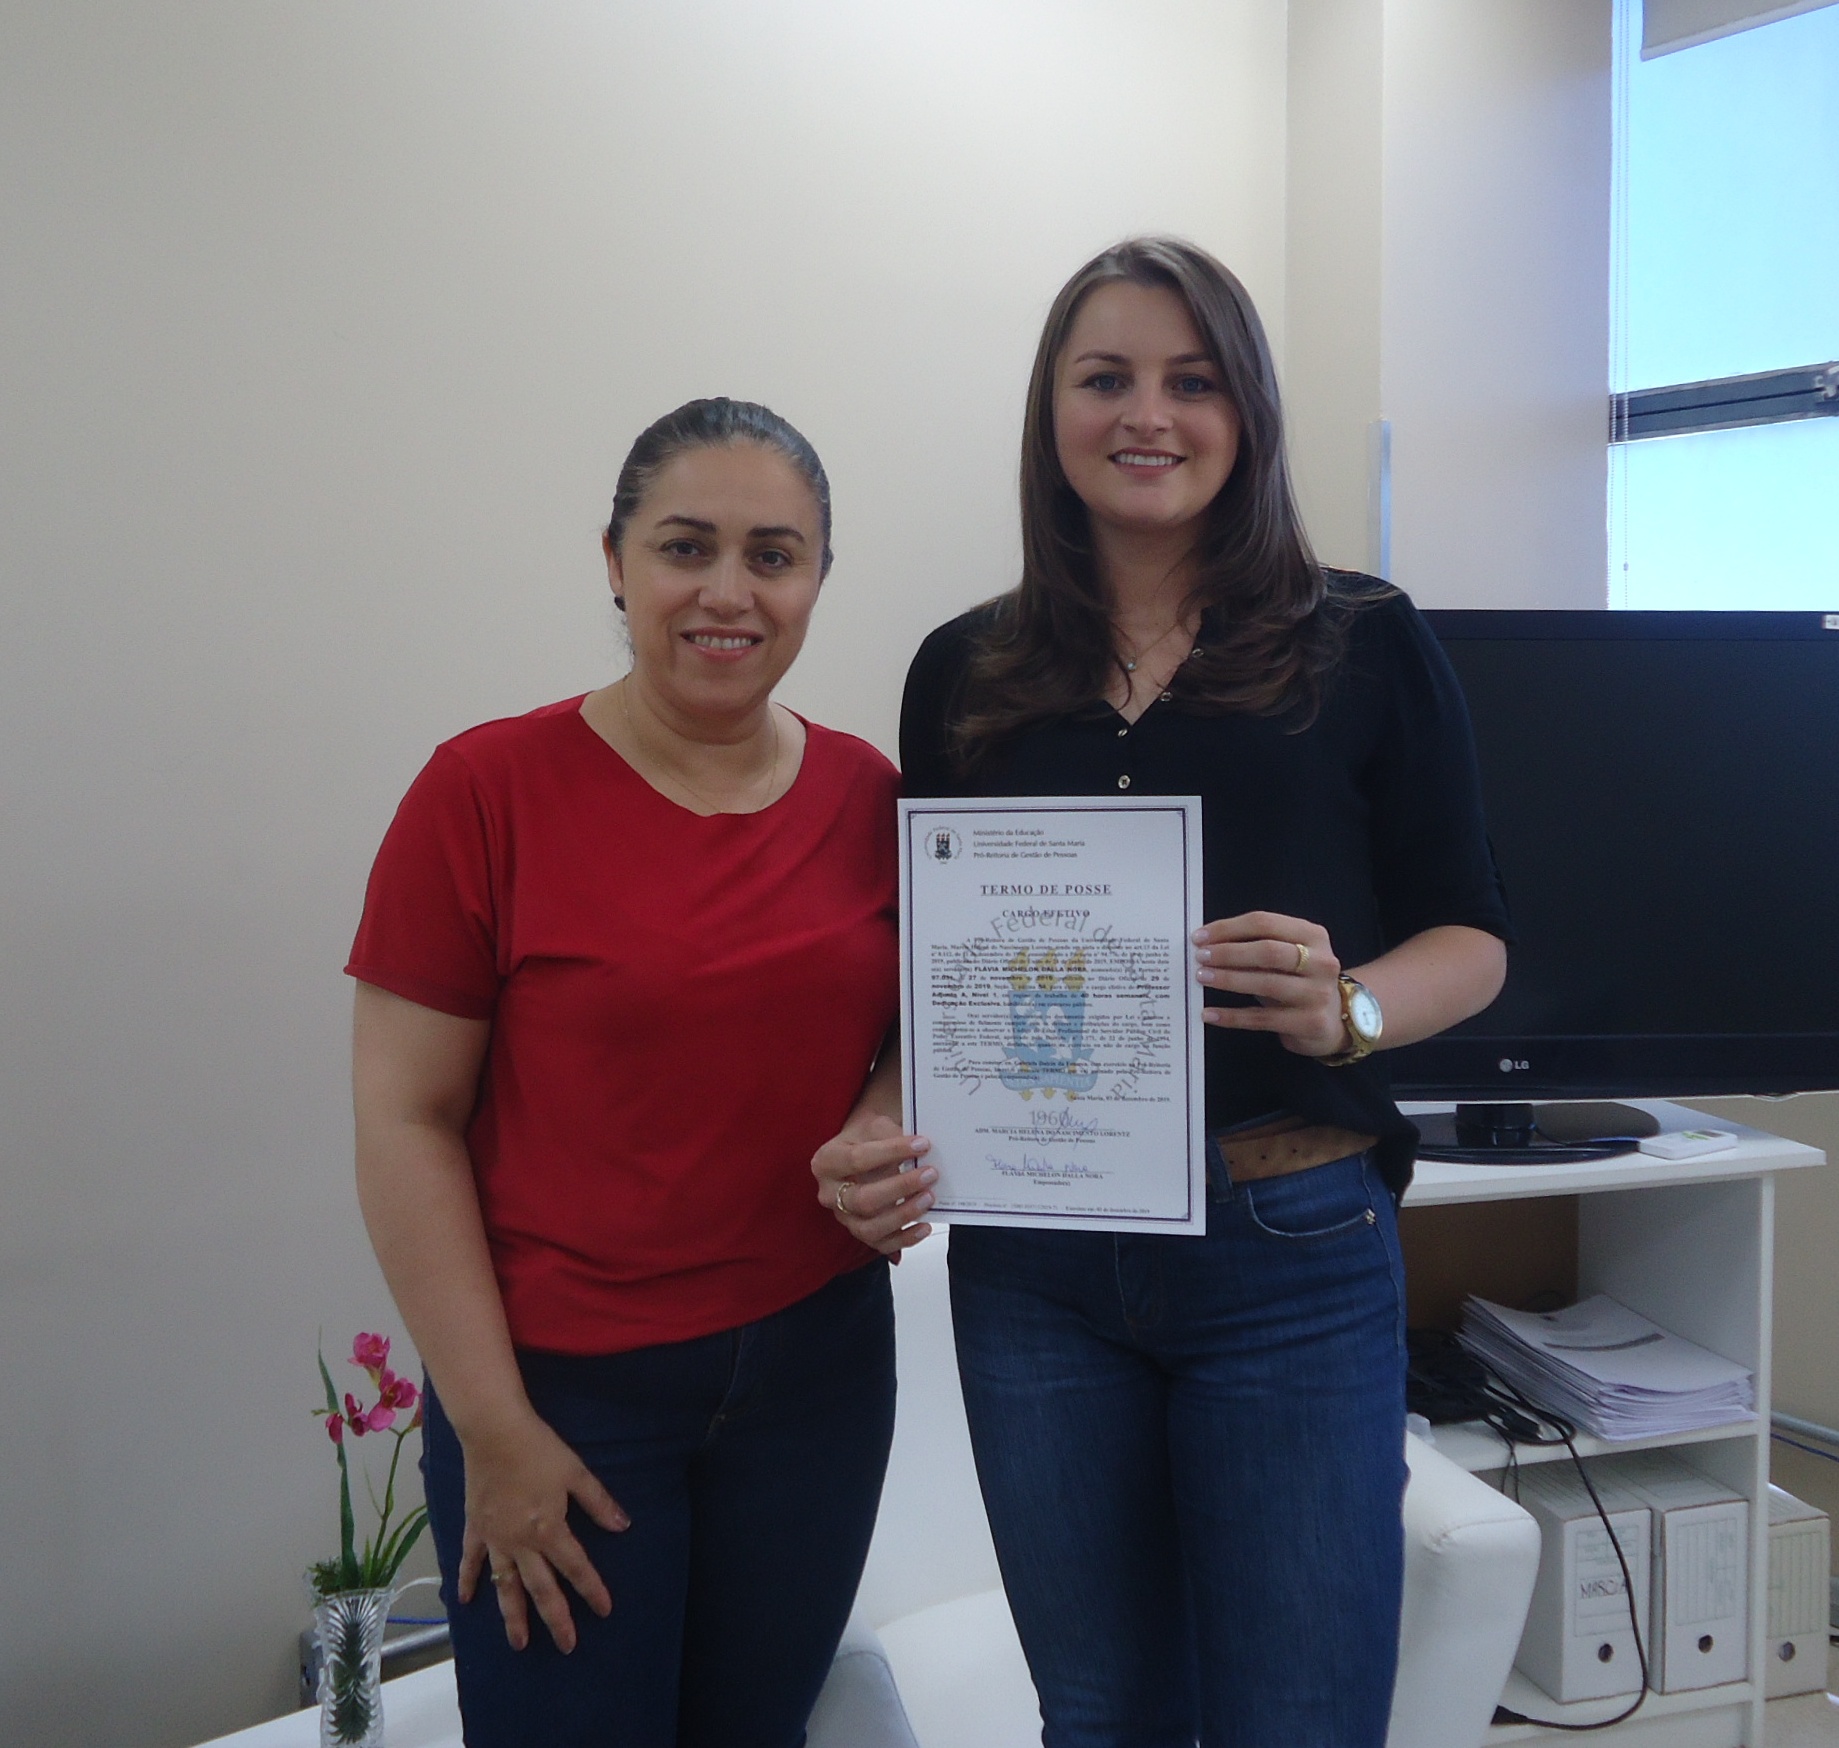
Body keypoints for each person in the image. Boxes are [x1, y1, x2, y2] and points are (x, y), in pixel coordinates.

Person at [813, 239, 1510, 1748]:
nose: (1149, 415)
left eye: (1193, 381)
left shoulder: (1364, 642)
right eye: (1107, 378)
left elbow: (1475, 937)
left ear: (1245, 411)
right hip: (1035, 1273)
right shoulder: (964, 671)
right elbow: (942, 983)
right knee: (1100, 1715)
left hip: (1289, 1246)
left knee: (1300, 1716)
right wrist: (879, 1119)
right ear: (1051, 412)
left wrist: (1349, 1009)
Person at [347, 397, 906, 1748]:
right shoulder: (483, 793)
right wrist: (493, 1429)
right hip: (565, 1401)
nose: (729, 592)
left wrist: (883, 1117)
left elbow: (918, 1029)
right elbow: (405, 1119)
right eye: (684, 547)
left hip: (818, 1383)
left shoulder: (873, 799)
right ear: (615, 562)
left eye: (773, 555)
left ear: (818, 578)